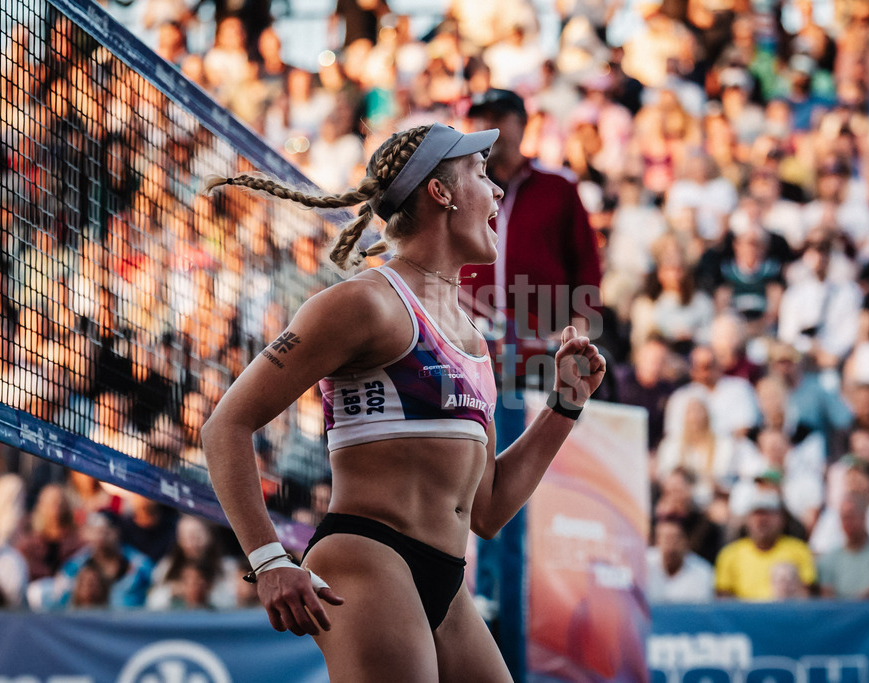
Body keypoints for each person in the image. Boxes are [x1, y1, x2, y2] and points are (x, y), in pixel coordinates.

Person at [202, 122, 606, 680]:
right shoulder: (366, 303)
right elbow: (225, 425)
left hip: (446, 578)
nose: (497, 192)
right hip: (369, 557)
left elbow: (486, 512)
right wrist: (268, 559)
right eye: (481, 175)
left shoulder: (470, 337)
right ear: (440, 192)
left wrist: (564, 407)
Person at [462, 89, 603, 382]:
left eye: (498, 118)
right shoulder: (461, 190)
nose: (486, 129)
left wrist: (575, 338)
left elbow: (586, 267)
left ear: (523, 124)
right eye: (479, 120)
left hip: (543, 349)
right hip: (469, 348)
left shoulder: (558, 187)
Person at [714, 489, 816, 601]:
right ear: (747, 519)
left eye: (769, 514)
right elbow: (723, 601)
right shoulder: (729, 554)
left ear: (782, 518)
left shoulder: (799, 550)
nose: (762, 520)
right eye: (756, 514)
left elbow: (806, 596)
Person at [645, 514, 715, 604]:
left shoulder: (703, 572)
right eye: (665, 538)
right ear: (656, 541)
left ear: (686, 541)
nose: (670, 545)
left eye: (676, 539)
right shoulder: (642, 567)